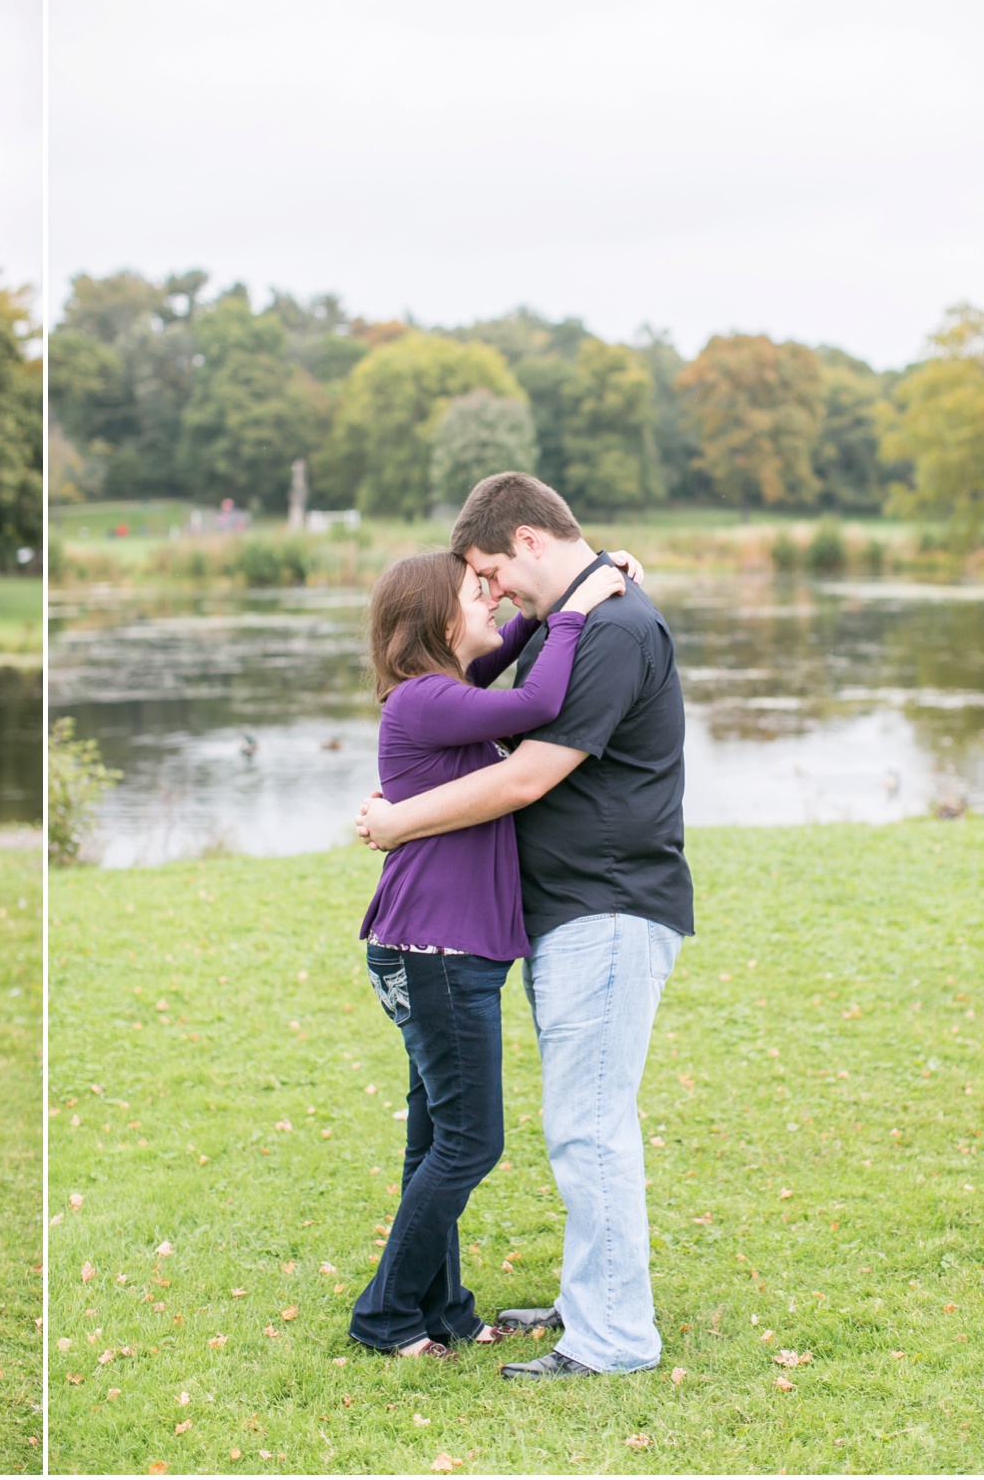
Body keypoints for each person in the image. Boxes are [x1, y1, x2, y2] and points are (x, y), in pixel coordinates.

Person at [358, 471, 694, 1380]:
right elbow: (505, 673)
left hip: (609, 903)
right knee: (574, 1122)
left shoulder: (614, 628)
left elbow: (523, 776)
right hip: (569, 911)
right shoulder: (577, 621)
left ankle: (615, 1336)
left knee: (587, 1127)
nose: (494, 591)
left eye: (489, 571)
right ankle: (592, 1305)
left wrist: (396, 819)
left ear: (529, 544)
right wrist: (578, 598)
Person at [347, 549, 628, 1360]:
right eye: (481, 594)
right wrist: (584, 604)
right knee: (471, 1142)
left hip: (435, 950)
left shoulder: (443, 693)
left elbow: (509, 653)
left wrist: (557, 597)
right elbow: (540, 697)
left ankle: (445, 1309)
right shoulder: (429, 700)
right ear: (439, 622)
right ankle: (386, 1315)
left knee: (434, 1140)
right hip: (435, 953)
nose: (496, 601)